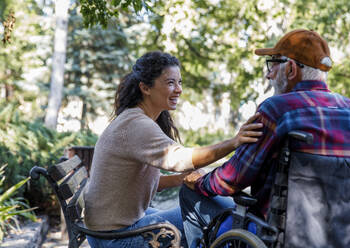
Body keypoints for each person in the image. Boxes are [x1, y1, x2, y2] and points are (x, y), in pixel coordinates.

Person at [179, 29, 350, 247]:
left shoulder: (276, 110)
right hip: (346, 237)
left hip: (277, 236)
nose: (268, 74)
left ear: (290, 69)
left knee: (189, 193)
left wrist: (199, 180)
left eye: (273, 65)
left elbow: (231, 180)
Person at [83, 51, 263, 248]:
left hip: (110, 229)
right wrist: (234, 142)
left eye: (180, 82)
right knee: (208, 215)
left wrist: (179, 179)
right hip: (114, 239)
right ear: (145, 88)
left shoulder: (135, 119)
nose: (178, 89)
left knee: (203, 210)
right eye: (170, 83)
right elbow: (180, 160)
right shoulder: (136, 125)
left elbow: (135, 182)